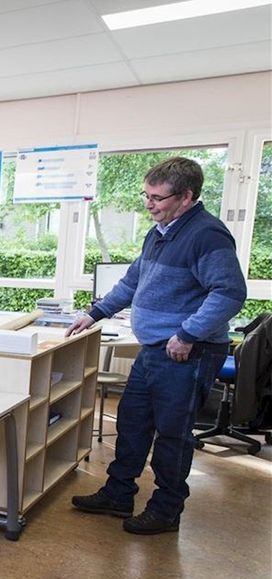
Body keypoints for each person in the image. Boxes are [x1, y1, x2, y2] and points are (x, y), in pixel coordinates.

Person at [66, 158, 246, 535]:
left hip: (186, 352)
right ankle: (118, 494)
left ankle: (166, 509)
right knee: (132, 424)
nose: (149, 204)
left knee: (173, 434)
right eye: (146, 195)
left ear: (186, 197)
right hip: (154, 350)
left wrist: (188, 333)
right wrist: (96, 312)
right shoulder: (161, 231)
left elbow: (230, 292)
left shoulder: (206, 234)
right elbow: (133, 281)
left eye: (157, 198)